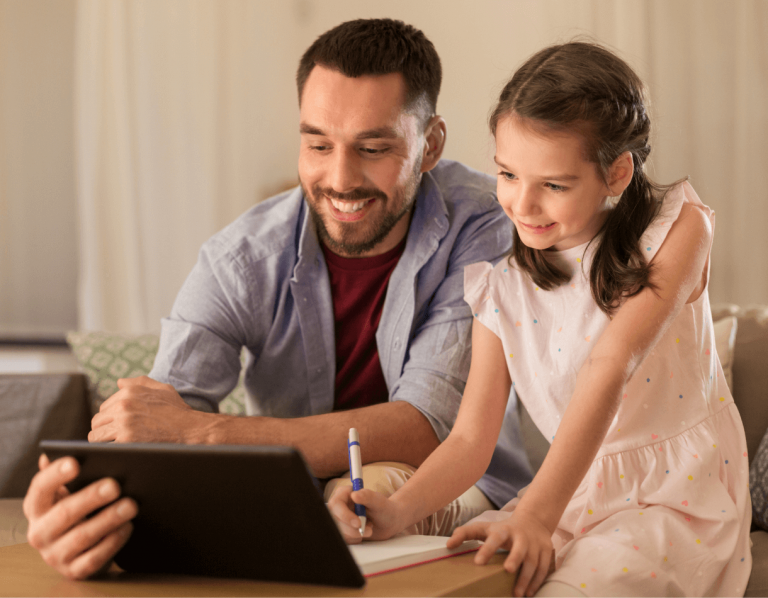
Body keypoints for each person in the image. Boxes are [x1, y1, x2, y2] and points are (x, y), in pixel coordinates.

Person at [22, 18, 533, 580]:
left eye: (372, 147)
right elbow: (159, 420)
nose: (340, 178)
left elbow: (425, 426)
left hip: (453, 485)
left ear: (429, 144)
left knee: (372, 491)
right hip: (289, 508)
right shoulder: (240, 257)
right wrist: (81, 506)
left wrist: (205, 433)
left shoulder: (488, 222)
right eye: (318, 144)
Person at [328, 41, 752, 597]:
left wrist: (537, 515)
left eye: (553, 185)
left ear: (617, 173)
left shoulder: (678, 229)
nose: (521, 205)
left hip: (677, 498)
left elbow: (611, 363)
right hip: (571, 492)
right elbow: (469, 440)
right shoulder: (500, 289)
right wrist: (396, 509)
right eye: (507, 174)